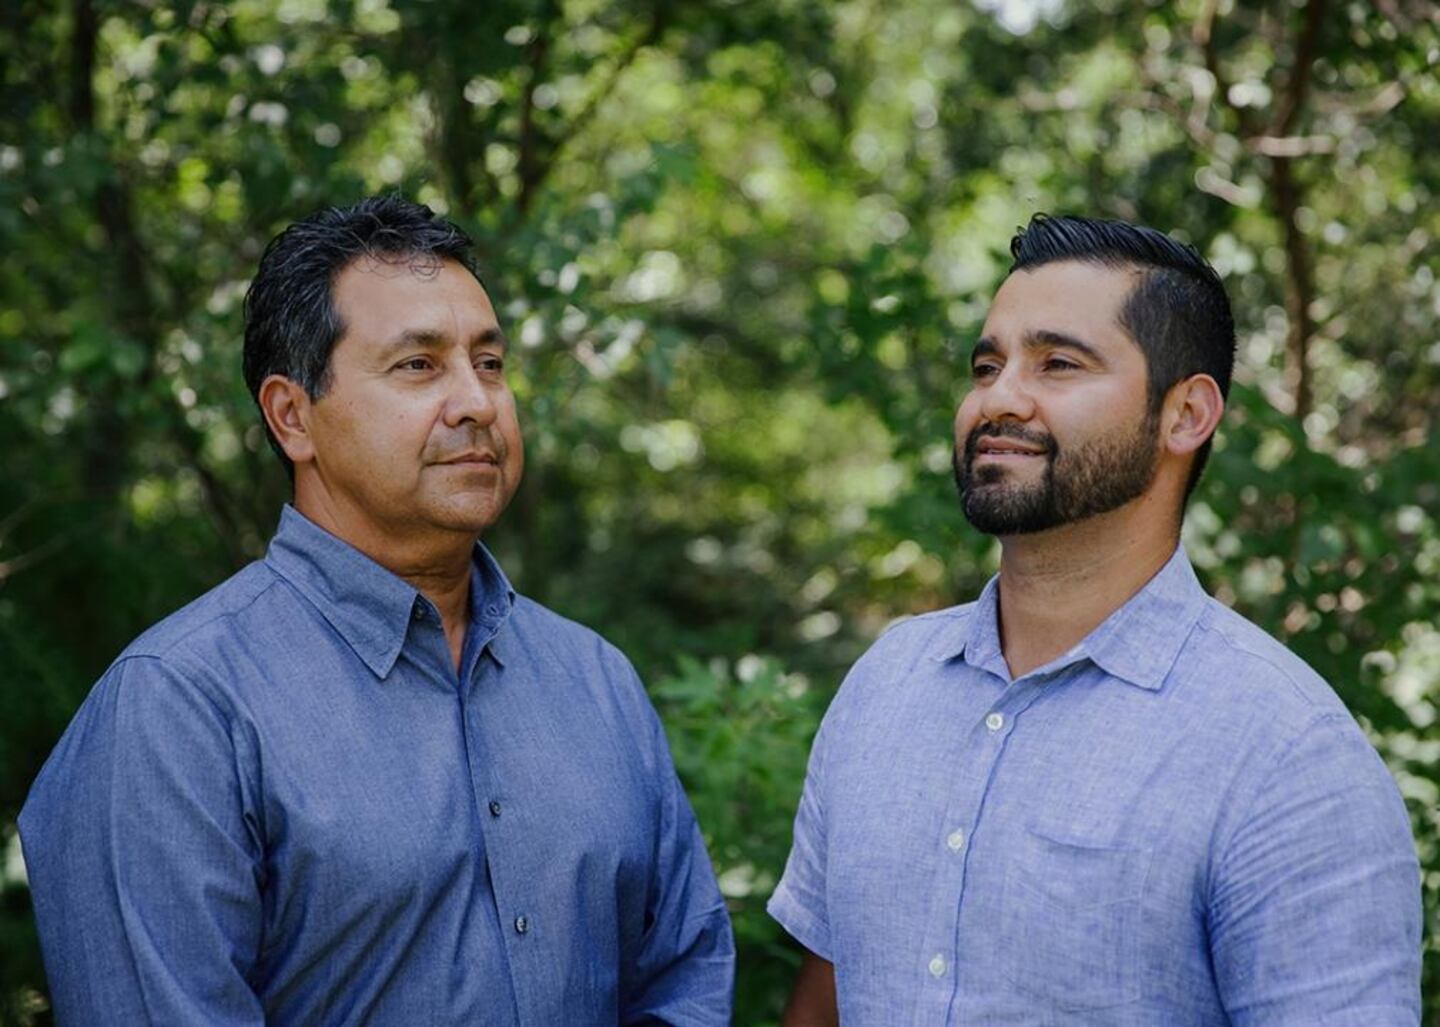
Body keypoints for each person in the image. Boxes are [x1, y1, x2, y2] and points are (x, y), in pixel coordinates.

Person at [20, 196, 734, 1025]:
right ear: (293, 417)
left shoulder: (595, 679)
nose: (477, 403)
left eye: (490, 362)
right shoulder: (178, 707)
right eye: (419, 365)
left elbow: (686, 976)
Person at [769, 214, 1421, 1025]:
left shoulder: (1288, 756)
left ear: (1186, 414)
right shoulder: (886, 684)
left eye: (1058, 364)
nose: (999, 397)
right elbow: (824, 1002)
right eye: (987, 365)